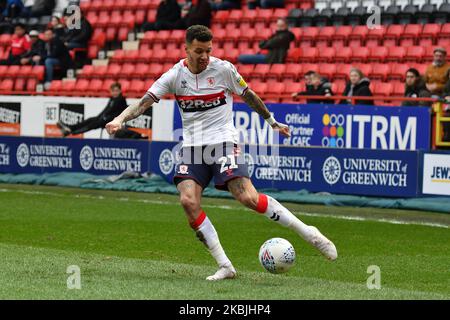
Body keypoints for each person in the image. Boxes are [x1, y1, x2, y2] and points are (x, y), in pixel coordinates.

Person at [105, 25, 337, 281]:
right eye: (199, 51)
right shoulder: (174, 76)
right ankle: (225, 265)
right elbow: (144, 102)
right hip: (192, 147)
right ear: (187, 49)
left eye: (208, 50)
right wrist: (120, 119)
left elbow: (249, 96)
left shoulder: (223, 69)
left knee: (248, 198)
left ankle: (309, 233)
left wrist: (272, 122)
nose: (204, 56)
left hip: (222, 142)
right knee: (188, 201)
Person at [57, 82, 129, 137]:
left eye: (117, 91)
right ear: (111, 91)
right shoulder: (112, 99)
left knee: (92, 124)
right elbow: (106, 110)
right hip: (105, 119)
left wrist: (104, 118)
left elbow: (118, 113)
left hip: (113, 121)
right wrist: (99, 117)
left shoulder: (121, 99)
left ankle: (72, 132)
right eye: (113, 91)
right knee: (90, 120)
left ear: (120, 91)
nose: (115, 93)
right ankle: (70, 128)